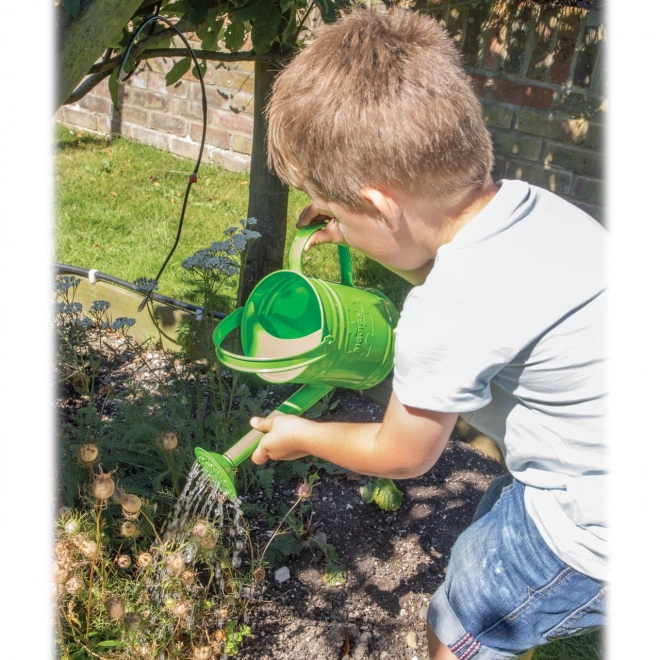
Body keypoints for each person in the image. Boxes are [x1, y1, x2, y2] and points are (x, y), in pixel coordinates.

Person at [249, 9, 607, 660]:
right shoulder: (529, 207)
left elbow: (402, 454)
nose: (325, 222)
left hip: (591, 526)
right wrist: (356, 227)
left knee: (466, 617)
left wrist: (302, 435)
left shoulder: (445, 312)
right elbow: (428, 251)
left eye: (331, 210)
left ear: (383, 207)